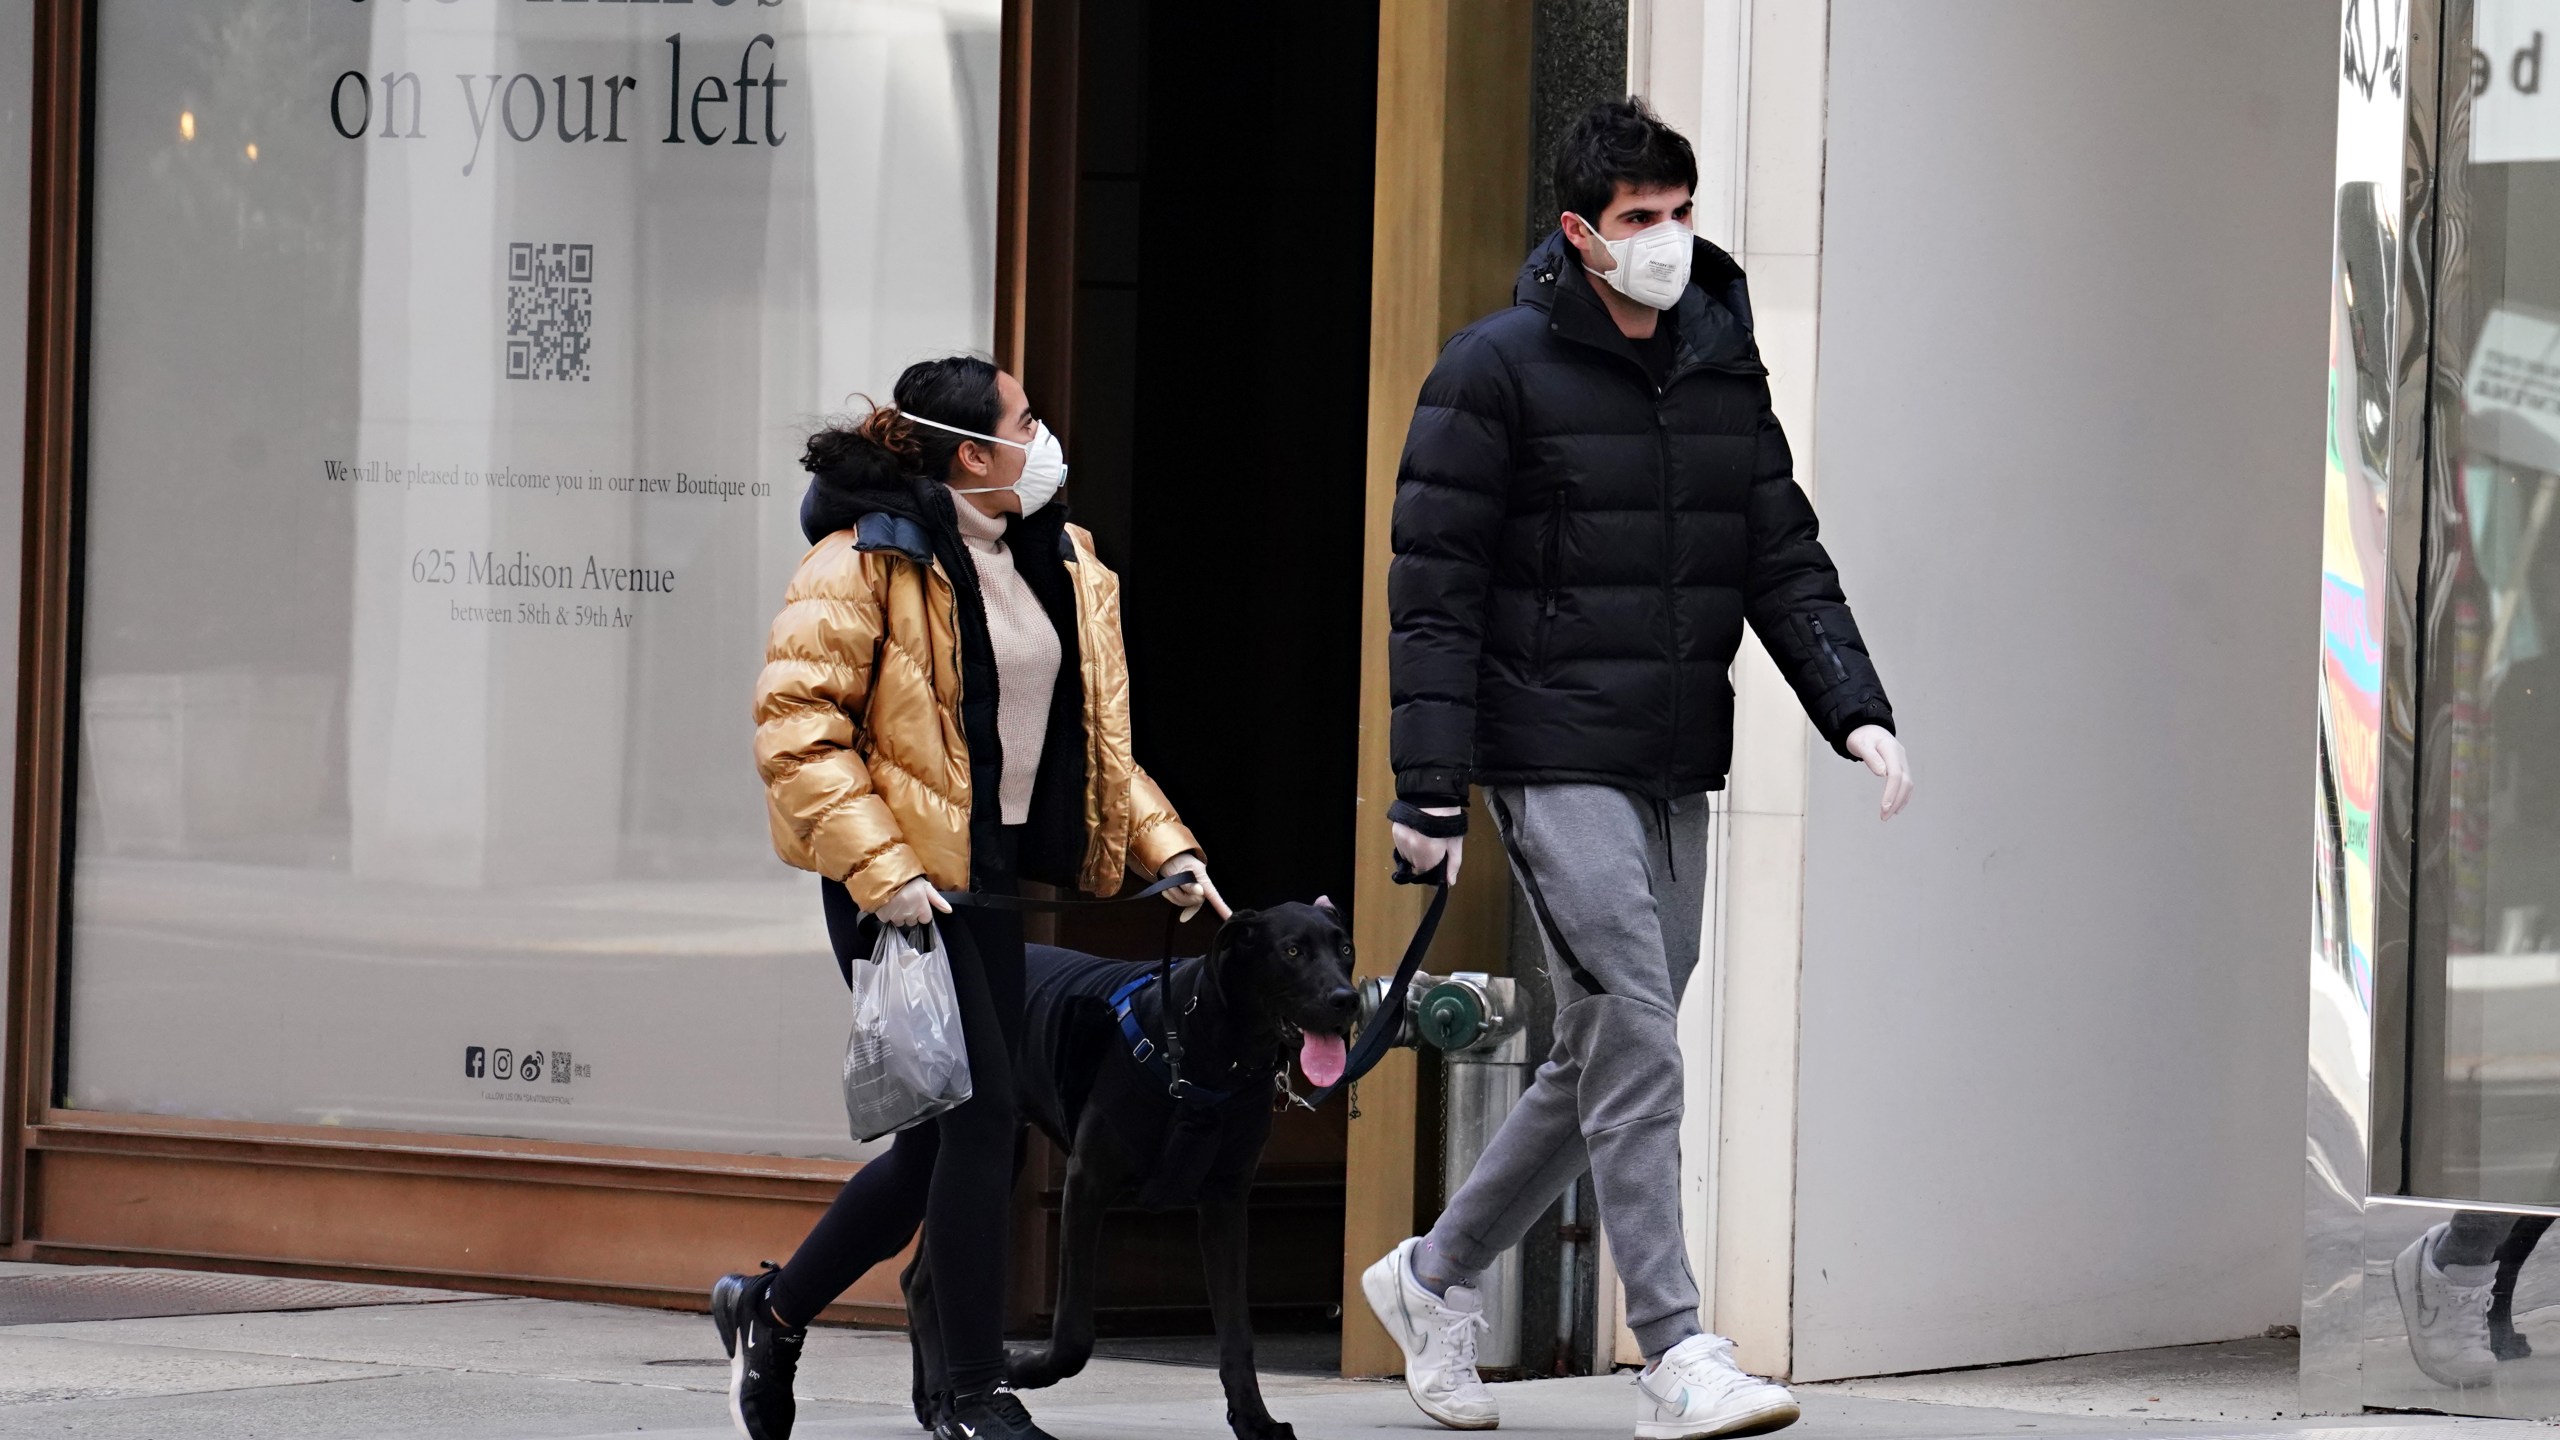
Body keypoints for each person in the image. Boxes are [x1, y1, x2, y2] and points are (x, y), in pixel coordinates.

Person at [1363, 99, 1912, 1439]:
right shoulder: (1492, 371)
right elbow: (1435, 593)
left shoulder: (1721, 363)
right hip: (1549, 749)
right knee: (1643, 1035)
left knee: (1611, 1037)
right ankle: (1675, 1346)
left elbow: (1779, 549)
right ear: (1580, 233)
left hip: (1674, 751)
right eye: (1638, 221)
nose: (1667, 240)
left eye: (1680, 212)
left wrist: (1857, 710)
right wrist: (1429, 791)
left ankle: (1433, 1277)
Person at [715, 354, 1225, 1440]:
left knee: (937, 1145)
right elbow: (796, 732)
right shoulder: (863, 562)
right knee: (984, 1121)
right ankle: (971, 1390)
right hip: (894, 885)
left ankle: (773, 1310)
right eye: (1024, 420)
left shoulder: (1057, 557)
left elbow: (1095, 746)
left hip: (984, 884)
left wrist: (1163, 850)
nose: (1044, 438)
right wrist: (885, 868)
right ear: (969, 453)